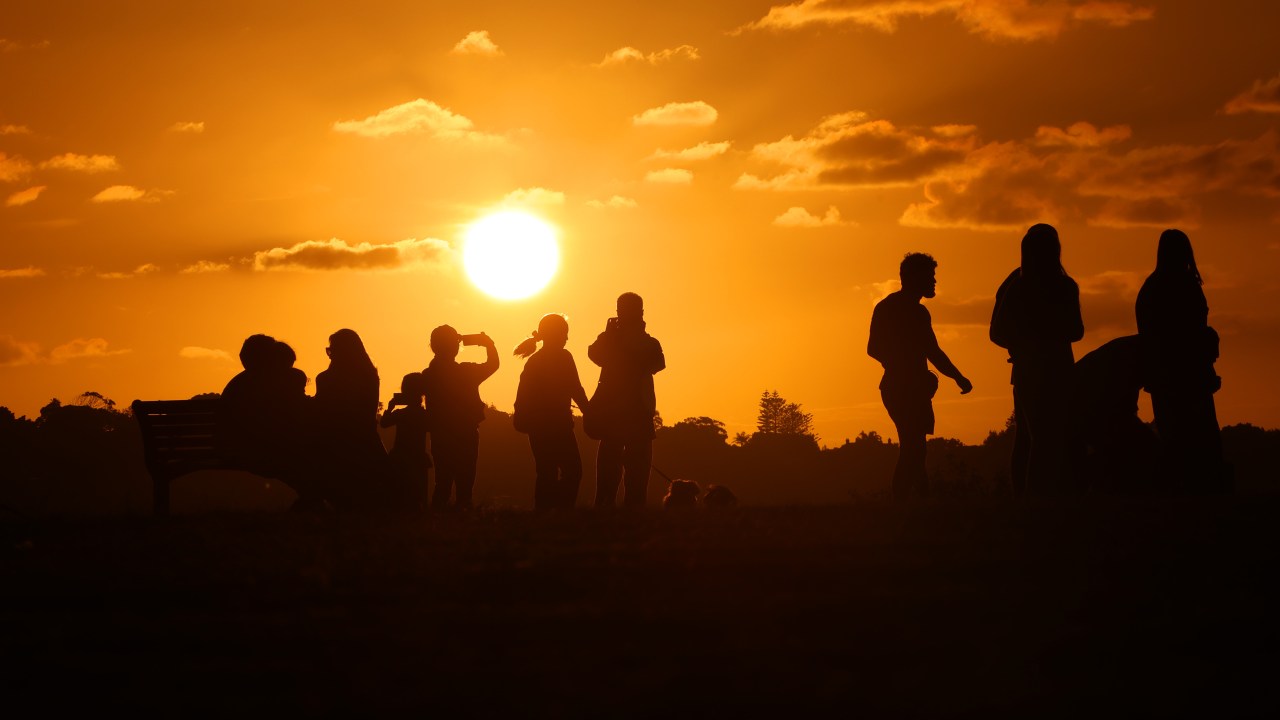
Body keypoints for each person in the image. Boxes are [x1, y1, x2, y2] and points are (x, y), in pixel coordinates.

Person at [868, 253, 973, 500]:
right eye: (930, 276)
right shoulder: (889, 307)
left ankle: (919, 502)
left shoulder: (920, 312)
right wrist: (904, 368)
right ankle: (905, 504)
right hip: (899, 387)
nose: (934, 281)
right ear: (914, 277)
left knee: (916, 448)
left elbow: (933, 351)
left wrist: (958, 377)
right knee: (912, 446)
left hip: (915, 387)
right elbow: (873, 348)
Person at [989, 223, 1084, 496]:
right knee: (1043, 437)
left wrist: (1023, 344)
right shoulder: (1061, 287)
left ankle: (1033, 498)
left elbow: (997, 333)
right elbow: (1076, 330)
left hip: (1033, 369)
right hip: (1052, 368)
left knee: (1033, 438)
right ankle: (1037, 499)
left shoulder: (1018, 287)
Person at [1136, 229, 1228, 493]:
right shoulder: (1183, 285)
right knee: (1198, 435)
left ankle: (1182, 491)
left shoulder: (1152, 287)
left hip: (1168, 374)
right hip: (1186, 374)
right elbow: (1191, 332)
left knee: (1176, 436)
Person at [219, 334, 317, 507]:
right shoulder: (270, 384)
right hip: (257, 449)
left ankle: (311, 498)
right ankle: (315, 498)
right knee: (310, 453)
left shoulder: (238, 384)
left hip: (232, 446)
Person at [587, 292, 665, 508]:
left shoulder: (647, 342)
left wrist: (615, 344)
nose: (621, 315)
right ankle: (612, 507)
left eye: (624, 310)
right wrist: (609, 335)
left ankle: (617, 508)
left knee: (631, 469)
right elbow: (594, 354)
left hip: (635, 410)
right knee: (614, 467)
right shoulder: (627, 340)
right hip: (618, 410)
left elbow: (656, 364)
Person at [512, 314, 590, 511]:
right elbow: (576, 389)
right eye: (564, 334)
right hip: (558, 426)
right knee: (573, 471)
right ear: (555, 335)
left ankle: (545, 513)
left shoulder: (534, 361)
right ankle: (561, 511)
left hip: (537, 428)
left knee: (546, 472)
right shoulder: (564, 357)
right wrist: (590, 412)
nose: (566, 338)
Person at [422, 325, 499, 510]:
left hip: (441, 435)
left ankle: (436, 524)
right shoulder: (466, 372)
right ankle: (463, 523)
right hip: (466, 434)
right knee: (465, 485)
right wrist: (489, 344)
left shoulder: (428, 375)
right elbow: (493, 364)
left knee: (442, 484)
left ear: (433, 346)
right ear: (455, 347)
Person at [1068, 335, 1157, 494]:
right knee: (1139, 448)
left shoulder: (1134, 349)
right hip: (1083, 406)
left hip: (1085, 404)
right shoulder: (1135, 356)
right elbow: (1122, 403)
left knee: (1133, 447)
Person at [315, 328, 389, 509]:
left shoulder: (326, 379)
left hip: (338, 442)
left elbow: (322, 412)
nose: (330, 356)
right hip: (367, 441)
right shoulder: (370, 376)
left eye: (332, 351)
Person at [381, 372, 431, 511]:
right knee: (418, 498)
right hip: (418, 459)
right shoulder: (424, 415)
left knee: (399, 498)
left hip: (400, 458)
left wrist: (390, 408)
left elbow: (384, 423)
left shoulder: (401, 414)